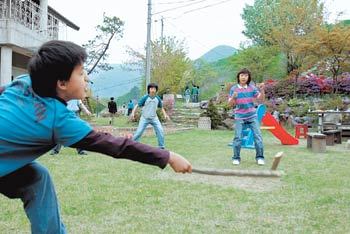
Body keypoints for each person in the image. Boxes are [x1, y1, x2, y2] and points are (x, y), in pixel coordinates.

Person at [0, 40, 192, 234]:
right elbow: (115, 147)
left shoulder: (24, 82)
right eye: (81, 72)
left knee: (36, 178)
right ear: (62, 83)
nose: (87, 78)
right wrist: (168, 156)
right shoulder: (58, 119)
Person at [228, 68, 265, 165]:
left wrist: (262, 90)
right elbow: (230, 104)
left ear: (248, 77)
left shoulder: (252, 88)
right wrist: (233, 97)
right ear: (238, 77)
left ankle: (260, 157)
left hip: (252, 115)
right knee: (238, 137)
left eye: (246, 75)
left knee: (258, 136)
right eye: (242, 75)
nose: (243, 77)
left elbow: (261, 99)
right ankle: (236, 158)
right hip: (239, 116)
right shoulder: (233, 89)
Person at [131, 83, 169, 149]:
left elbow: (161, 107)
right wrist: (133, 113)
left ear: (156, 90)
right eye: (151, 88)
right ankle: (132, 145)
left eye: (154, 89)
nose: (153, 90)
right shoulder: (145, 98)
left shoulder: (157, 98)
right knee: (139, 132)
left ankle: (161, 147)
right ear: (149, 90)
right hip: (144, 118)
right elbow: (137, 105)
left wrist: (165, 115)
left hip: (154, 118)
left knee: (160, 131)